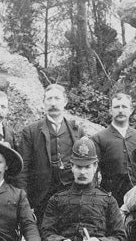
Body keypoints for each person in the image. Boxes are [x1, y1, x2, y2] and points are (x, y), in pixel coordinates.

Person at [15, 84, 84, 223]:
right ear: (43, 103)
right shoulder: (31, 131)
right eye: (49, 99)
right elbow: (22, 170)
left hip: (71, 194)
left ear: (65, 102)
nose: (53, 103)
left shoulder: (77, 130)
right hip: (41, 197)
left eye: (57, 98)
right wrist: (25, 202)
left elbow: (86, 164)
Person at [91, 92, 136, 205]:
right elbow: (93, 173)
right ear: (110, 110)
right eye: (116, 107)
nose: (120, 110)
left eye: (124, 107)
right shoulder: (99, 138)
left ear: (131, 110)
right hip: (111, 199)